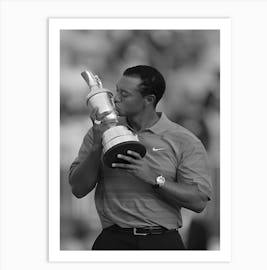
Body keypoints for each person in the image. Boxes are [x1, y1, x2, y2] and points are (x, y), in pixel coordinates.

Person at [68, 65, 212, 250]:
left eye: (125, 94)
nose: (116, 98)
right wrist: (97, 145)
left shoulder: (184, 140)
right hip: (112, 241)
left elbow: (199, 201)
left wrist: (155, 179)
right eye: (116, 91)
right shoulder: (99, 131)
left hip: (162, 242)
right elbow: (78, 189)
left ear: (148, 100)